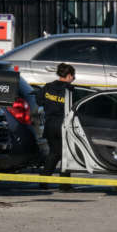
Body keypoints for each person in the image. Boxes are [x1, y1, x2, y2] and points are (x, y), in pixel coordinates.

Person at [36, 63, 75, 192]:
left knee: (54, 153)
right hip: (63, 125)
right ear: (69, 75)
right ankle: (64, 184)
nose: (73, 79)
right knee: (65, 154)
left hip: (50, 125)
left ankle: (44, 180)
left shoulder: (47, 87)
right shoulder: (70, 90)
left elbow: (38, 100)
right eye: (73, 76)